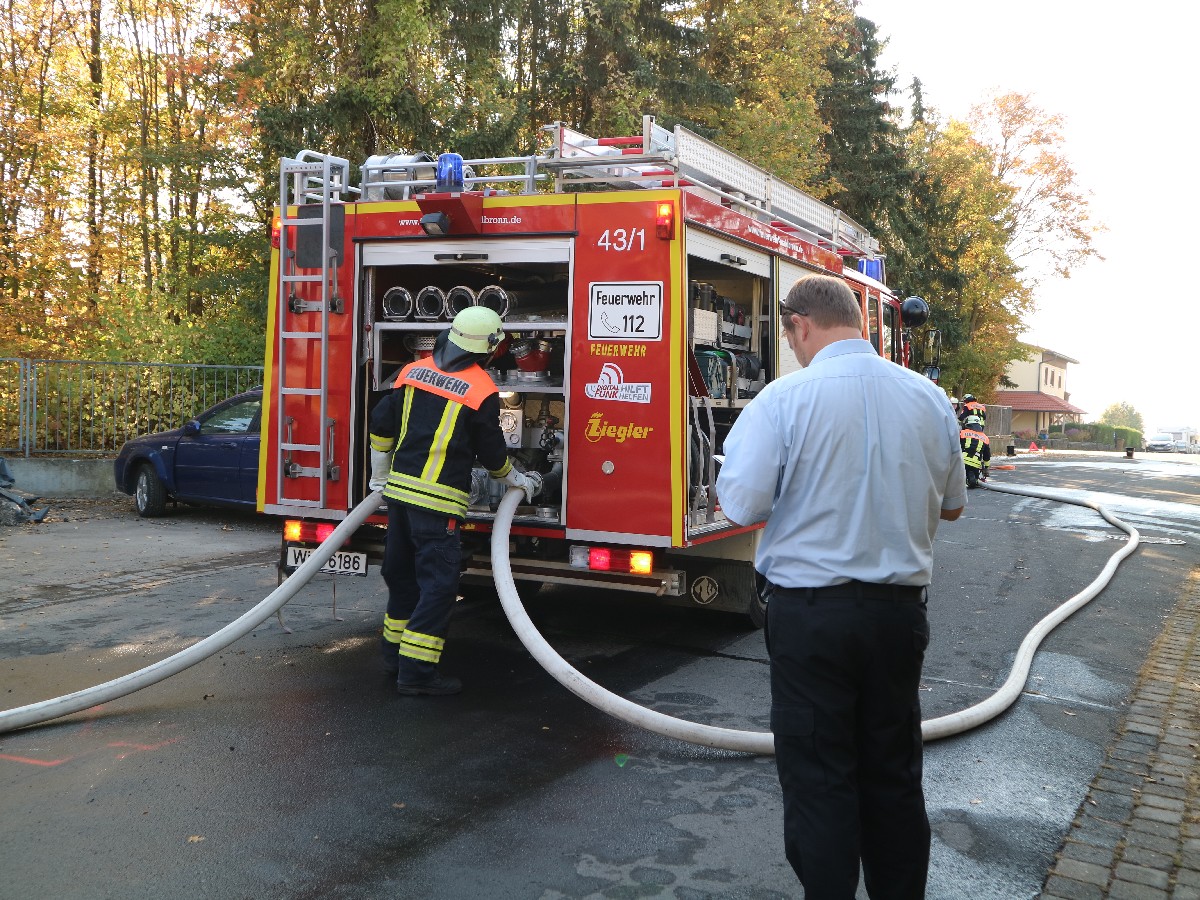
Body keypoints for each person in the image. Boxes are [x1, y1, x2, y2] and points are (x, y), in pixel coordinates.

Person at [715, 274, 966, 900]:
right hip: (897, 619)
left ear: (801, 324)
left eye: (789, 336)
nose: (792, 348)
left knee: (821, 780)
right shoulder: (929, 398)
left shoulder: (782, 400)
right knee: (894, 777)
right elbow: (954, 506)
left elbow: (743, 505)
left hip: (812, 621)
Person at [368, 306, 537, 696]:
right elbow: (492, 453)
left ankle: (394, 660)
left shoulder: (411, 373)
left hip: (399, 498)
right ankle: (417, 675)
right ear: (489, 348)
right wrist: (516, 479)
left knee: (403, 580)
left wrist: (380, 474)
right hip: (438, 505)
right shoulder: (481, 389)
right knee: (438, 589)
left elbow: (381, 424)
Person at [961, 414, 991, 489]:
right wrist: (986, 467)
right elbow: (987, 455)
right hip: (975, 464)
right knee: (975, 481)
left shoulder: (962, 433)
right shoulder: (985, 438)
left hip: (961, 461)